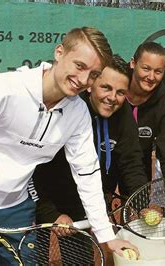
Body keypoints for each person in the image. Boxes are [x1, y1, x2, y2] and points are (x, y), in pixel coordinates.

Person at [0, 27, 137, 264]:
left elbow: (87, 172)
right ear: (59, 52)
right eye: (79, 66)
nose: (84, 80)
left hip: (18, 208)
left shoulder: (78, 113)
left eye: (94, 74)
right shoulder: (1, 89)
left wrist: (106, 236)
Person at [30, 55, 148, 227]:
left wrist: (143, 205)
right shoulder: (67, 108)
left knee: (80, 254)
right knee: (34, 253)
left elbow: (131, 163)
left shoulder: (122, 112)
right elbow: (33, 166)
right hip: (42, 197)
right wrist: (50, 213)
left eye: (120, 92)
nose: (112, 97)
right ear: (90, 86)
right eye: (106, 88)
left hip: (81, 200)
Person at [126, 41, 165, 180]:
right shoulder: (115, 90)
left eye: (158, 71)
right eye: (146, 68)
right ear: (133, 63)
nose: (151, 77)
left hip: (138, 170)